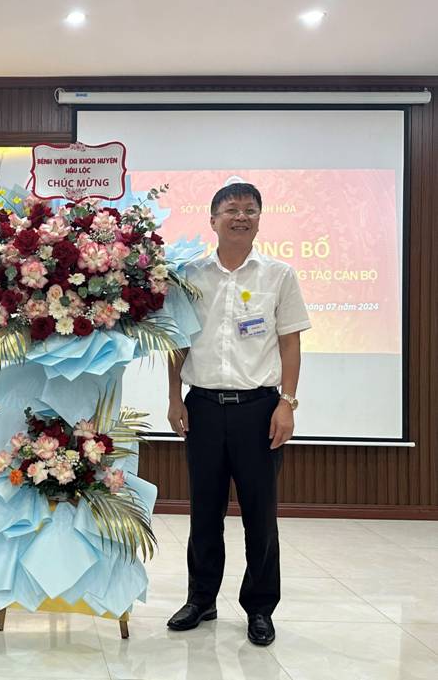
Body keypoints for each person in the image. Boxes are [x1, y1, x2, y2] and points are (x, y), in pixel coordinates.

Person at [166, 182, 311, 646]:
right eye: (231, 209)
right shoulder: (190, 274)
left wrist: (287, 404)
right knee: (203, 510)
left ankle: (260, 607)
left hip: (259, 409)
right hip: (204, 406)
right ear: (213, 220)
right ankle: (201, 599)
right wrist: (174, 398)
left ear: (259, 219)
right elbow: (178, 342)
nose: (241, 216)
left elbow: (290, 341)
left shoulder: (278, 275)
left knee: (259, 514)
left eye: (250, 210)